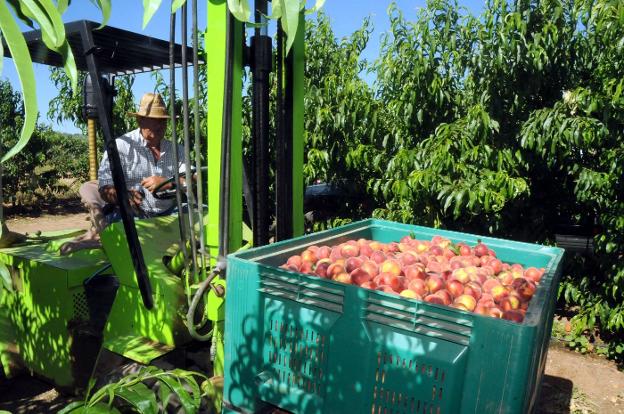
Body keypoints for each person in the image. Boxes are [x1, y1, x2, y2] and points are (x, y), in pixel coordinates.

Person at [60, 93, 185, 255]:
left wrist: (170, 183)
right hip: (136, 214)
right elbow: (104, 188)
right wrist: (123, 196)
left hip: (170, 213)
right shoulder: (121, 147)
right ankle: (96, 241)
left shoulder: (176, 149)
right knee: (126, 238)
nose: (160, 126)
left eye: (163, 121)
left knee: (200, 216)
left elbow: (192, 178)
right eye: (155, 120)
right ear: (140, 120)